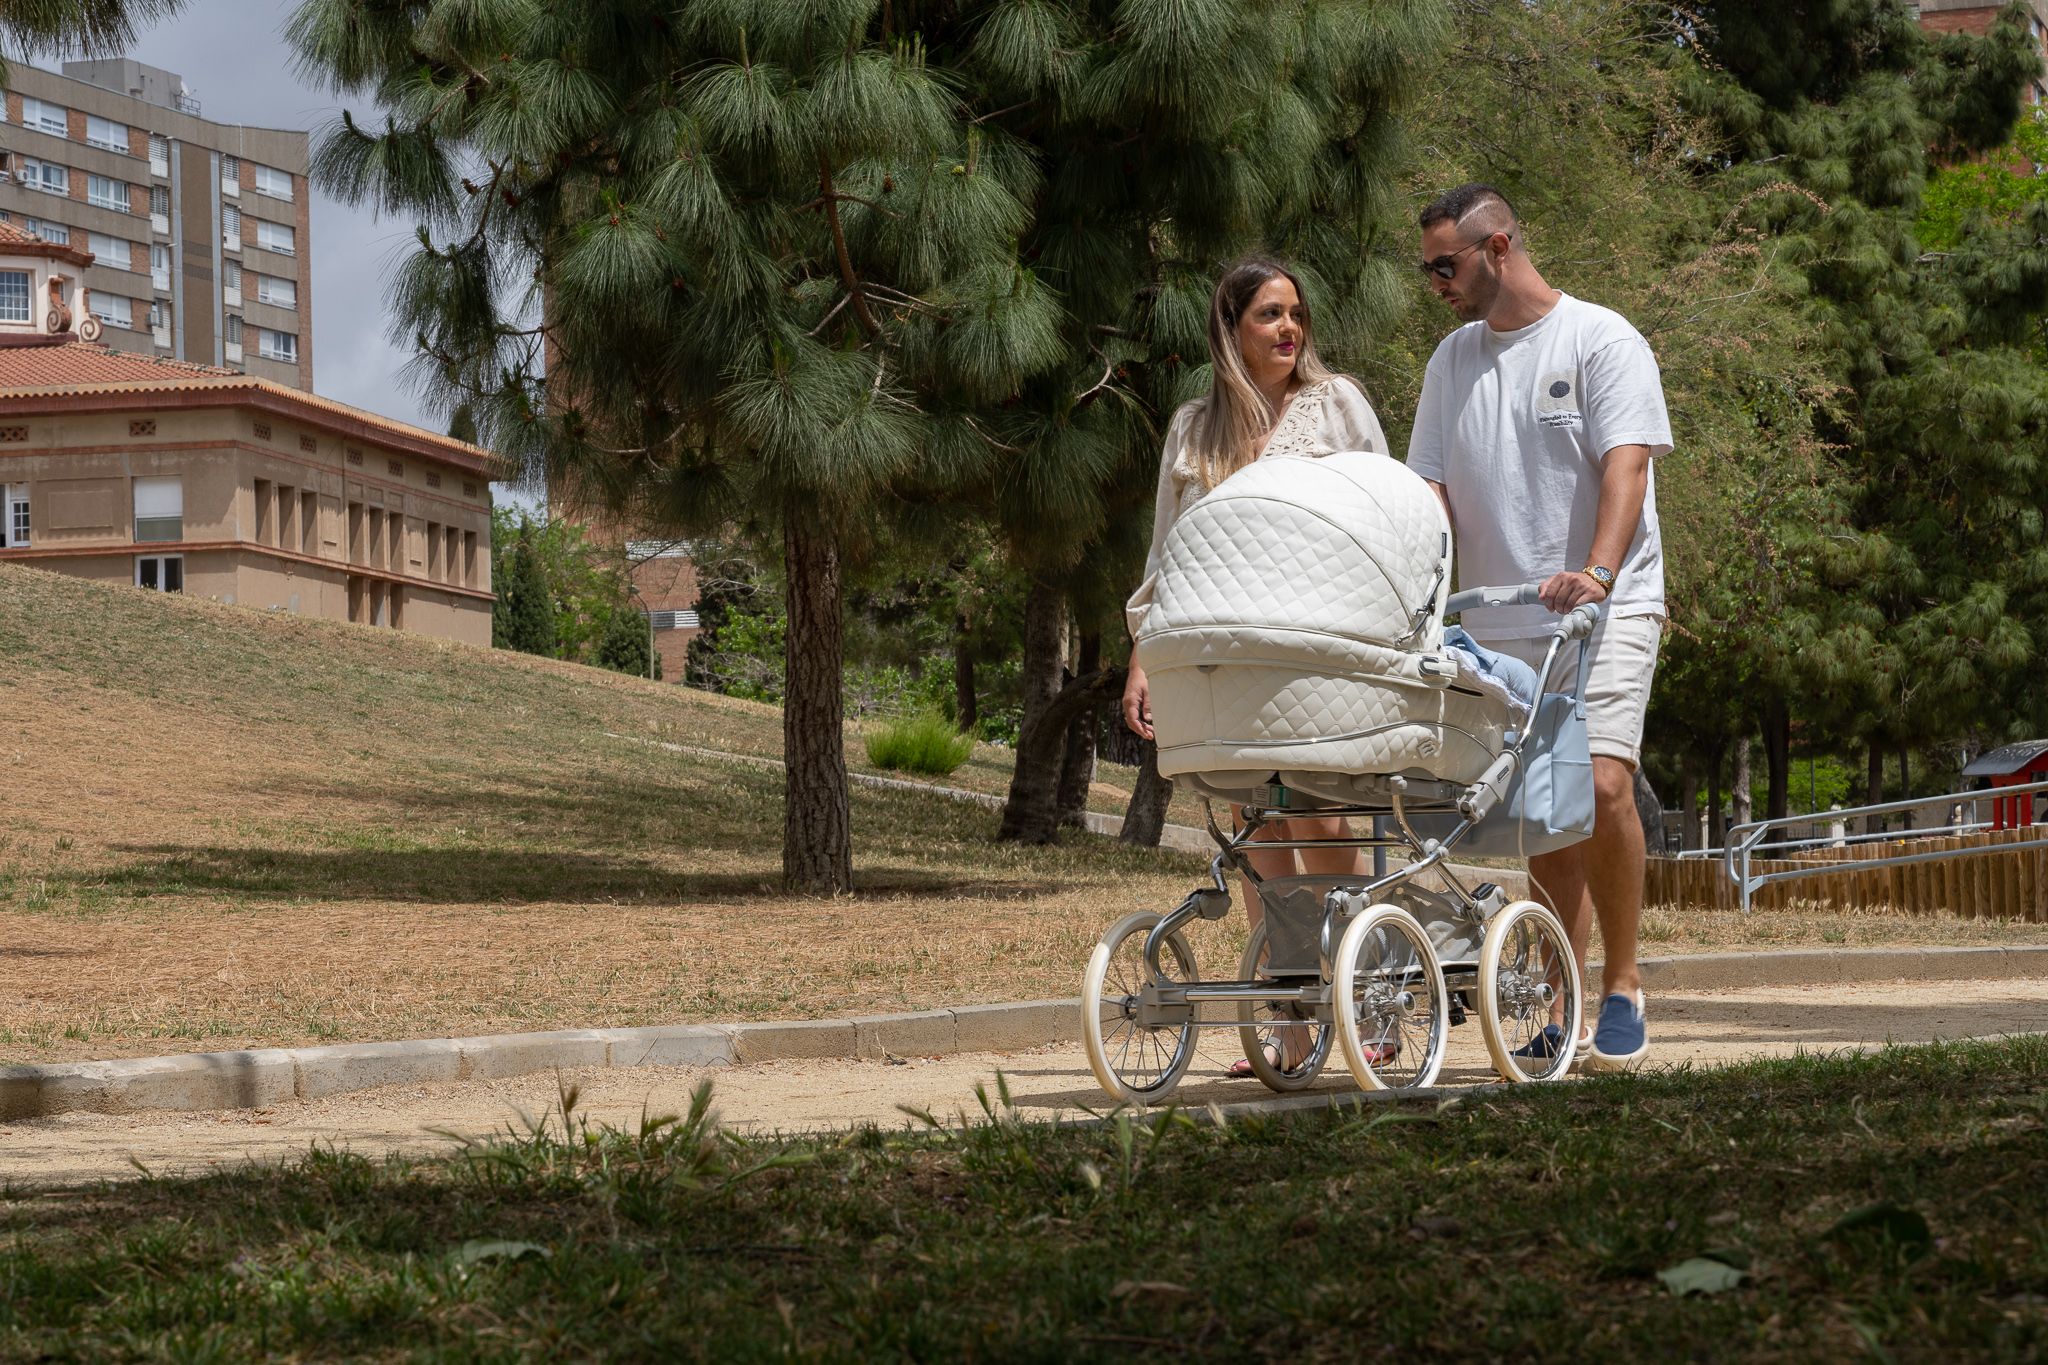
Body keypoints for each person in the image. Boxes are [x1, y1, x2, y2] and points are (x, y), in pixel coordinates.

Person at [1406, 183, 1671, 1072]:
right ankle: (1562, 993)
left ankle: (1624, 984)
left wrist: (1596, 572)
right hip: (1498, 620)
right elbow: (1431, 489)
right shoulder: (1450, 361)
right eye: (1428, 268)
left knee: (1598, 786)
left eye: (1447, 264)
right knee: (1543, 813)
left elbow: (1625, 467)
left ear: (1499, 246)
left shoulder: (1600, 338)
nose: (1436, 282)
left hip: (1607, 604)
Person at [1121, 256, 1390, 1076]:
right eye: (1270, 314)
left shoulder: (1336, 404)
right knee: (1256, 826)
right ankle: (1292, 1020)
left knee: (1322, 817)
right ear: (1231, 328)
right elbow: (1168, 554)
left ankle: (1367, 993)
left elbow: (1387, 512)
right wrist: (1142, 658)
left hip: (1320, 643)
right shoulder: (1192, 427)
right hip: (1222, 654)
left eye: (1296, 314)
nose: (1289, 329)